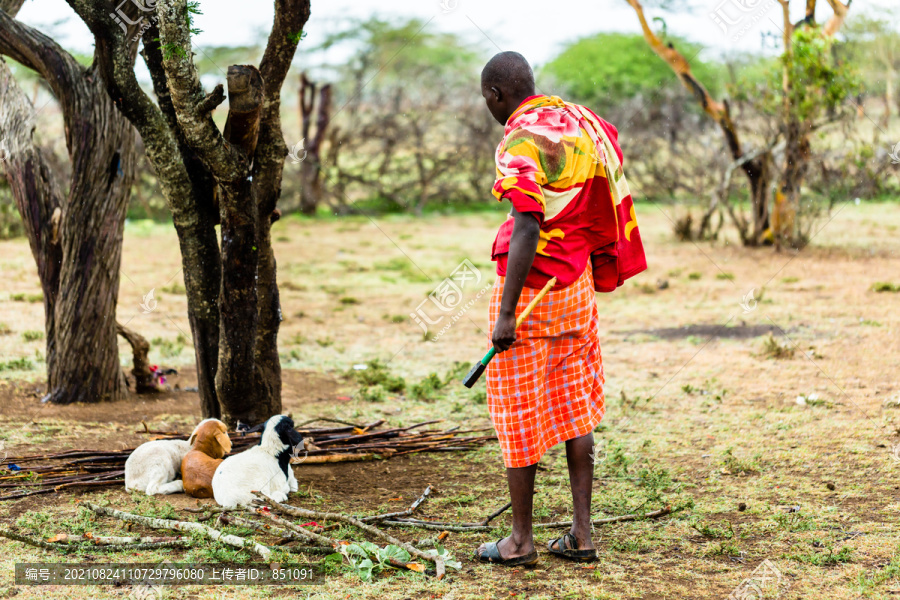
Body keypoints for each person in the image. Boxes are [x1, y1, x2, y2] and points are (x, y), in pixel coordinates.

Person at [475, 51, 647, 566]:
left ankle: (520, 542)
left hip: (528, 293)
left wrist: (506, 314)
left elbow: (527, 222)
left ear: (495, 95)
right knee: (575, 408)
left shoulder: (520, 137)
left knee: (517, 408)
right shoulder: (577, 122)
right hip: (575, 287)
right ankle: (581, 534)